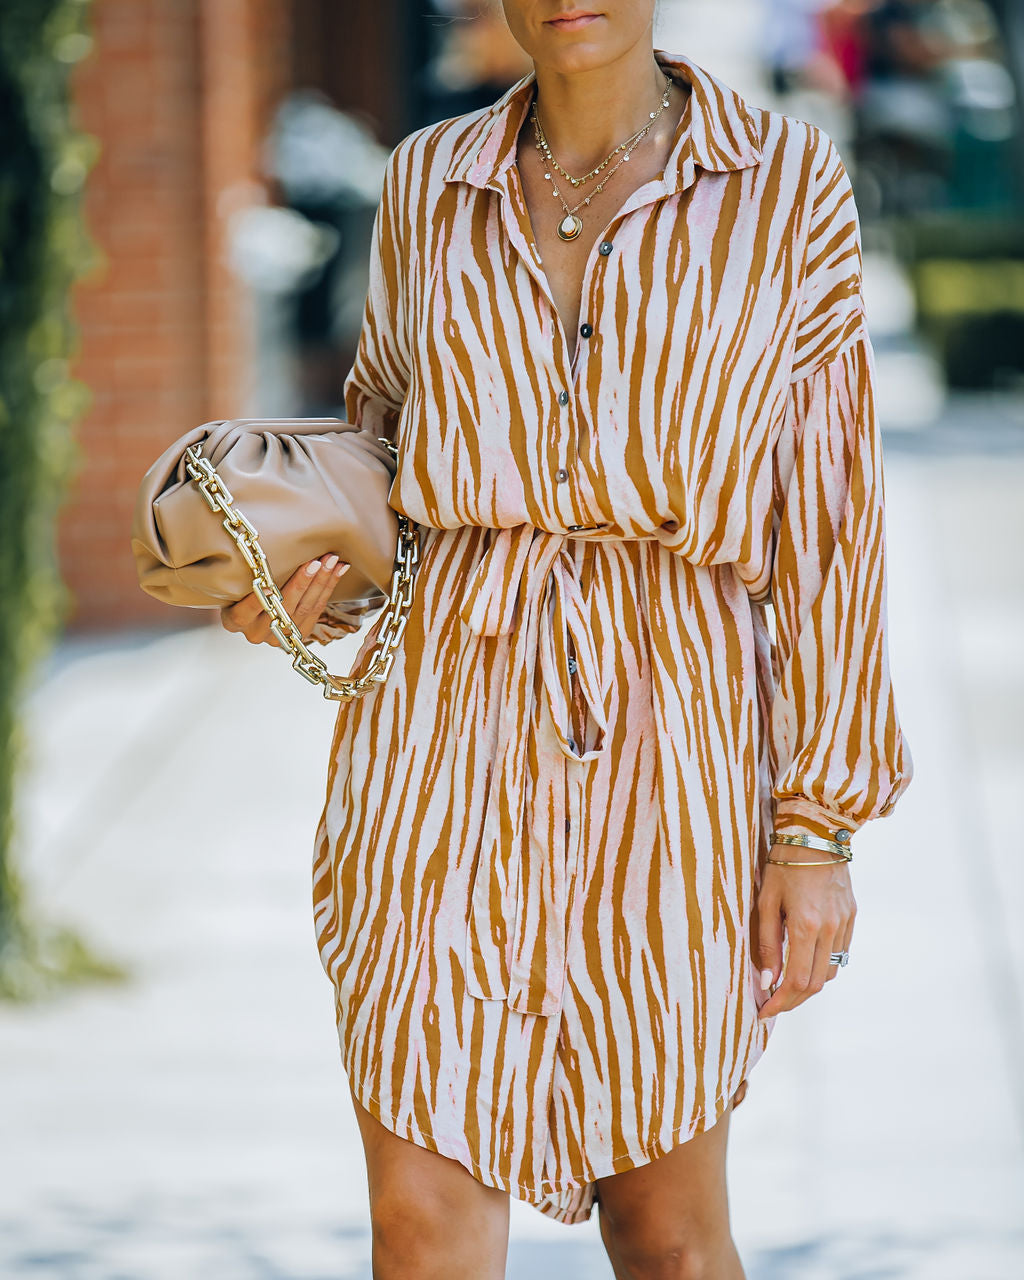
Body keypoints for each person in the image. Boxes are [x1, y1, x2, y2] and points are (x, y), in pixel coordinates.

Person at [221, 2, 912, 1276]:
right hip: (438, 730)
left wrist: (814, 825)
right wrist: (305, 574)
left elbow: (829, 519)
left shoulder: (783, 181)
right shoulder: (424, 183)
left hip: (672, 734)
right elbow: (380, 450)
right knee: (419, 1225)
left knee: (665, 1232)